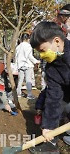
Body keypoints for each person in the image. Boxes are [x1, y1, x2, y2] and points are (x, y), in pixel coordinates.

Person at [29, 21, 70, 153]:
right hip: (66, 94)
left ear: (57, 41)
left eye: (42, 50)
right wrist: (48, 126)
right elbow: (54, 97)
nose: (41, 55)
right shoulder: (52, 68)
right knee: (57, 108)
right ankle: (50, 145)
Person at [15, 33, 40, 99]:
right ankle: (29, 95)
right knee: (28, 80)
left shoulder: (18, 46)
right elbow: (29, 56)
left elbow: (16, 57)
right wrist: (36, 61)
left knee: (20, 80)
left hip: (20, 65)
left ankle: (18, 93)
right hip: (27, 64)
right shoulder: (28, 46)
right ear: (28, 39)